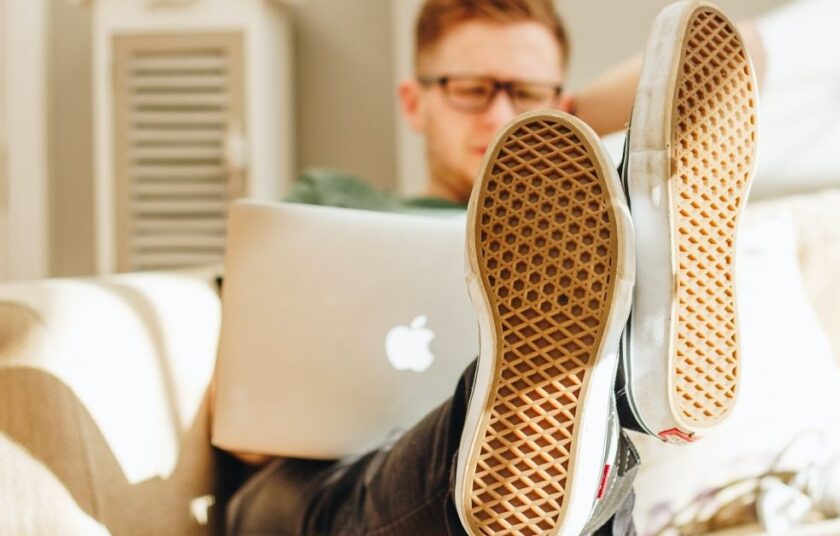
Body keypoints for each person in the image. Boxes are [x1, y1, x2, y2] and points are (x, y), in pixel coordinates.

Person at [223, 0, 763, 534]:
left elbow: (749, 49)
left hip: (516, 484)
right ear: (414, 102)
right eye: (472, 89)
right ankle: (622, 367)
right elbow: (238, 412)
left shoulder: (580, 232)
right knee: (530, 434)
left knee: (576, 444)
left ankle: (585, 390)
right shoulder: (328, 202)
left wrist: (553, 128)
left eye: (525, 93)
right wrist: (541, 112)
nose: (499, 116)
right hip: (320, 484)